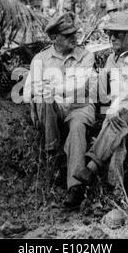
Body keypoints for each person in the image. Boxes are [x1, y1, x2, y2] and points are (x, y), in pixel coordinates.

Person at [73, 11, 128, 187]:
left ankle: (92, 166)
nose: (112, 38)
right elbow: (101, 89)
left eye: (117, 34)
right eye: (109, 33)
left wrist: (115, 109)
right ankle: (116, 189)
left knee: (117, 118)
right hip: (120, 113)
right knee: (118, 131)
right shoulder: (112, 60)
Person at [23, 12, 96, 208]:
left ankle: (75, 186)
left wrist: (52, 88)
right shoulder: (41, 58)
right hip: (53, 110)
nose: (74, 37)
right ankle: (52, 156)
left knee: (78, 128)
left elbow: (80, 86)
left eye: (74, 33)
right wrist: (33, 104)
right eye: (67, 35)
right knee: (43, 97)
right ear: (54, 38)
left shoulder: (86, 56)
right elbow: (29, 90)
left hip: (79, 107)